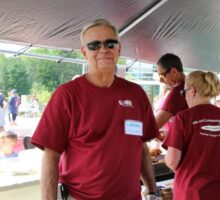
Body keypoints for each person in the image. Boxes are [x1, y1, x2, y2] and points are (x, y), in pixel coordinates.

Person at [31, 19, 159, 200]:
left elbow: (141, 146)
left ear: (119, 49)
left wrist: (153, 191)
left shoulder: (136, 94)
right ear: (84, 52)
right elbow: (51, 157)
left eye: (110, 43)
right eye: (94, 45)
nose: (103, 49)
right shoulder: (67, 94)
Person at [162, 70, 220, 200]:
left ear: (192, 91)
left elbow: (172, 161)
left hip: (193, 193)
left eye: (184, 92)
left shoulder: (183, 118)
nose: (184, 96)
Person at [155, 53, 188, 138]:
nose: (160, 80)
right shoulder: (193, 84)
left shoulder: (177, 92)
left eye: (162, 76)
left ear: (174, 72)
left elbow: (153, 125)